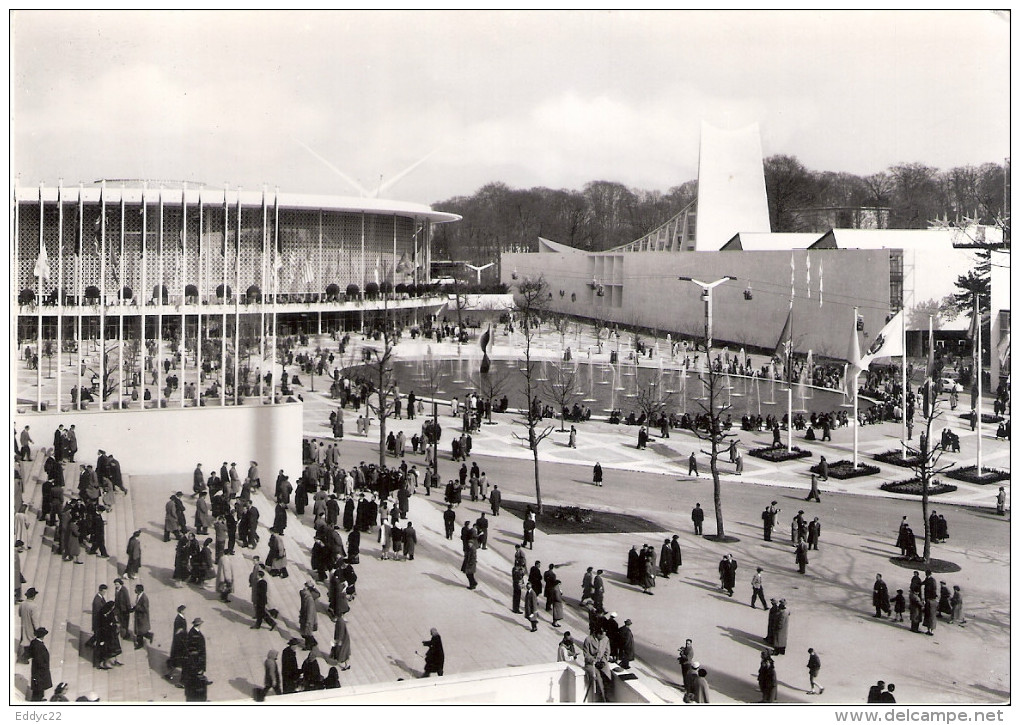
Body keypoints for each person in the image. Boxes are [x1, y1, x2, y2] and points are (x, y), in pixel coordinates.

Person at [581, 629, 611, 702]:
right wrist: (595, 661)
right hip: (591, 664)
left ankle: (606, 696)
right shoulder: (588, 640)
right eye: (602, 636)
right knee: (597, 678)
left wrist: (603, 662)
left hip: (601, 662)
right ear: (598, 634)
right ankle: (602, 700)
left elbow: (607, 652)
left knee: (607, 676)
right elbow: (586, 654)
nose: (604, 637)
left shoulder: (606, 639)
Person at [27, 627, 52, 701]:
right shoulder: (39, 645)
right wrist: (44, 667)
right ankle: (37, 700)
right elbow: (39, 659)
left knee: (39, 686)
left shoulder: (34, 642)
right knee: (39, 687)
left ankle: (39, 698)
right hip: (40, 670)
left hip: (37, 669)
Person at [132, 584, 152, 650]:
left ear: (139, 591)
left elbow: (145, 609)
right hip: (139, 617)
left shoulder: (144, 598)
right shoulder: (139, 596)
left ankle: (140, 644)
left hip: (142, 618)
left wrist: (137, 607)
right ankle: (149, 636)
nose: (135, 590)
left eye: (136, 589)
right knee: (141, 631)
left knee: (139, 632)